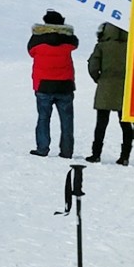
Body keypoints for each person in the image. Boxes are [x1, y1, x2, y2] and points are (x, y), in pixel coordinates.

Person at [86, 21, 134, 164]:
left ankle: (96, 154)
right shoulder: (131, 46)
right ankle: (125, 156)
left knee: (101, 123)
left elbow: (93, 66)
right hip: (125, 88)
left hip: (105, 86)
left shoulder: (101, 46)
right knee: (125, 124)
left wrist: (99, 79)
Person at [28, 10, 80, 158]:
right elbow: (75, 43)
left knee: (43, 118)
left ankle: (42, 148)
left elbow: (30, 52)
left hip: (43, 85)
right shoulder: (68, 40)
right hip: (65, 85)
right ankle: (67, 151)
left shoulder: (37, 39)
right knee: (67, 120)